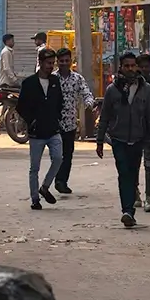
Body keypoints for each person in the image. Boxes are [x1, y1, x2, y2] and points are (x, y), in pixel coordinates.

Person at [96, 52, 150, 228]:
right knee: (124, 172)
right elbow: (105, 116)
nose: (131, 69)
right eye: (127, 66)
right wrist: (100, 140)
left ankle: (129, 209)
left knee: (132, 173)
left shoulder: (146, 89)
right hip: (118, 139)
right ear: (121, 68)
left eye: (133, 66)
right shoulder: (112, 90)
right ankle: (127, 211)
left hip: (138, 139)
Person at [16, 48, 65, 210]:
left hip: (53, 130)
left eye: (53, 63)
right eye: (48, 63)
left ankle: (45, 186)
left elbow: (60, 102)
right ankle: (35, 199)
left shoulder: (55, 82)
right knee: (34, 167)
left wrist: (56, 118)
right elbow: (21, 106)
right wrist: (32, 121)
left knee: (58, 158)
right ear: (41, 63)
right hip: (36, 133)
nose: (51, 66)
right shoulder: (29, 83)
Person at [54, 46, 95, 195]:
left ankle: (62, 181)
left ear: (71, 61)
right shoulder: (52, 78)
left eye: (67, 60)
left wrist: (89, 104)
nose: (64, 63)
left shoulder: (77, 79)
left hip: (70, 123)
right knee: (57, 154)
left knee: (68, 154)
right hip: (54, 123)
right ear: (57, 62)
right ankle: (56, 179)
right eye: (61, 61)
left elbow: (86, 93)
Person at [136, 51, 150, 212]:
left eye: (147, 66)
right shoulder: (130, 84)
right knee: (134, 165)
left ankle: (149, 196)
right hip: (133, 132)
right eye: (142, 67)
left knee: (149, 165)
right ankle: (135, 193)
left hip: (149, 132)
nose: (145, 69)